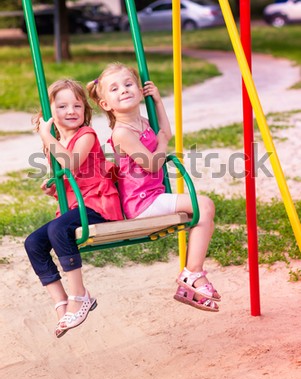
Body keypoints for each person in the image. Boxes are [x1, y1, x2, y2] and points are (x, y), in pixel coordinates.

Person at [87, 63, 221, 312]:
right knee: (204, 205)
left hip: (153, 196)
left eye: (128, 84)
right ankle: (192, 273)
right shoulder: (122, 133)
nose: (124, 90)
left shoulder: (142, 122)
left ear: (139, 91)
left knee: (205, 215)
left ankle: (191, 277)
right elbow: (151, 164)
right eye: (115, 89)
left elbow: (165, 132)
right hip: (140, 204)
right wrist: (161, 143)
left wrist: (158, 101)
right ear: (106, 104)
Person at [24, 79, 123, 338]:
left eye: (77, 105)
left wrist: (46, 136)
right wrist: (53, 187)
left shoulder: (86, 135)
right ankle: (62, 303)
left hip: (99, 204)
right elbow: (68, 181)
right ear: (50, 112)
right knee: (33, 242)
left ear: (85, 110)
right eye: (62, 106)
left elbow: (72, 164)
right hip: (79, 205)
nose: (71, 111)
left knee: (58, 228)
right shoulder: (55, 142)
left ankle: (81, 296)